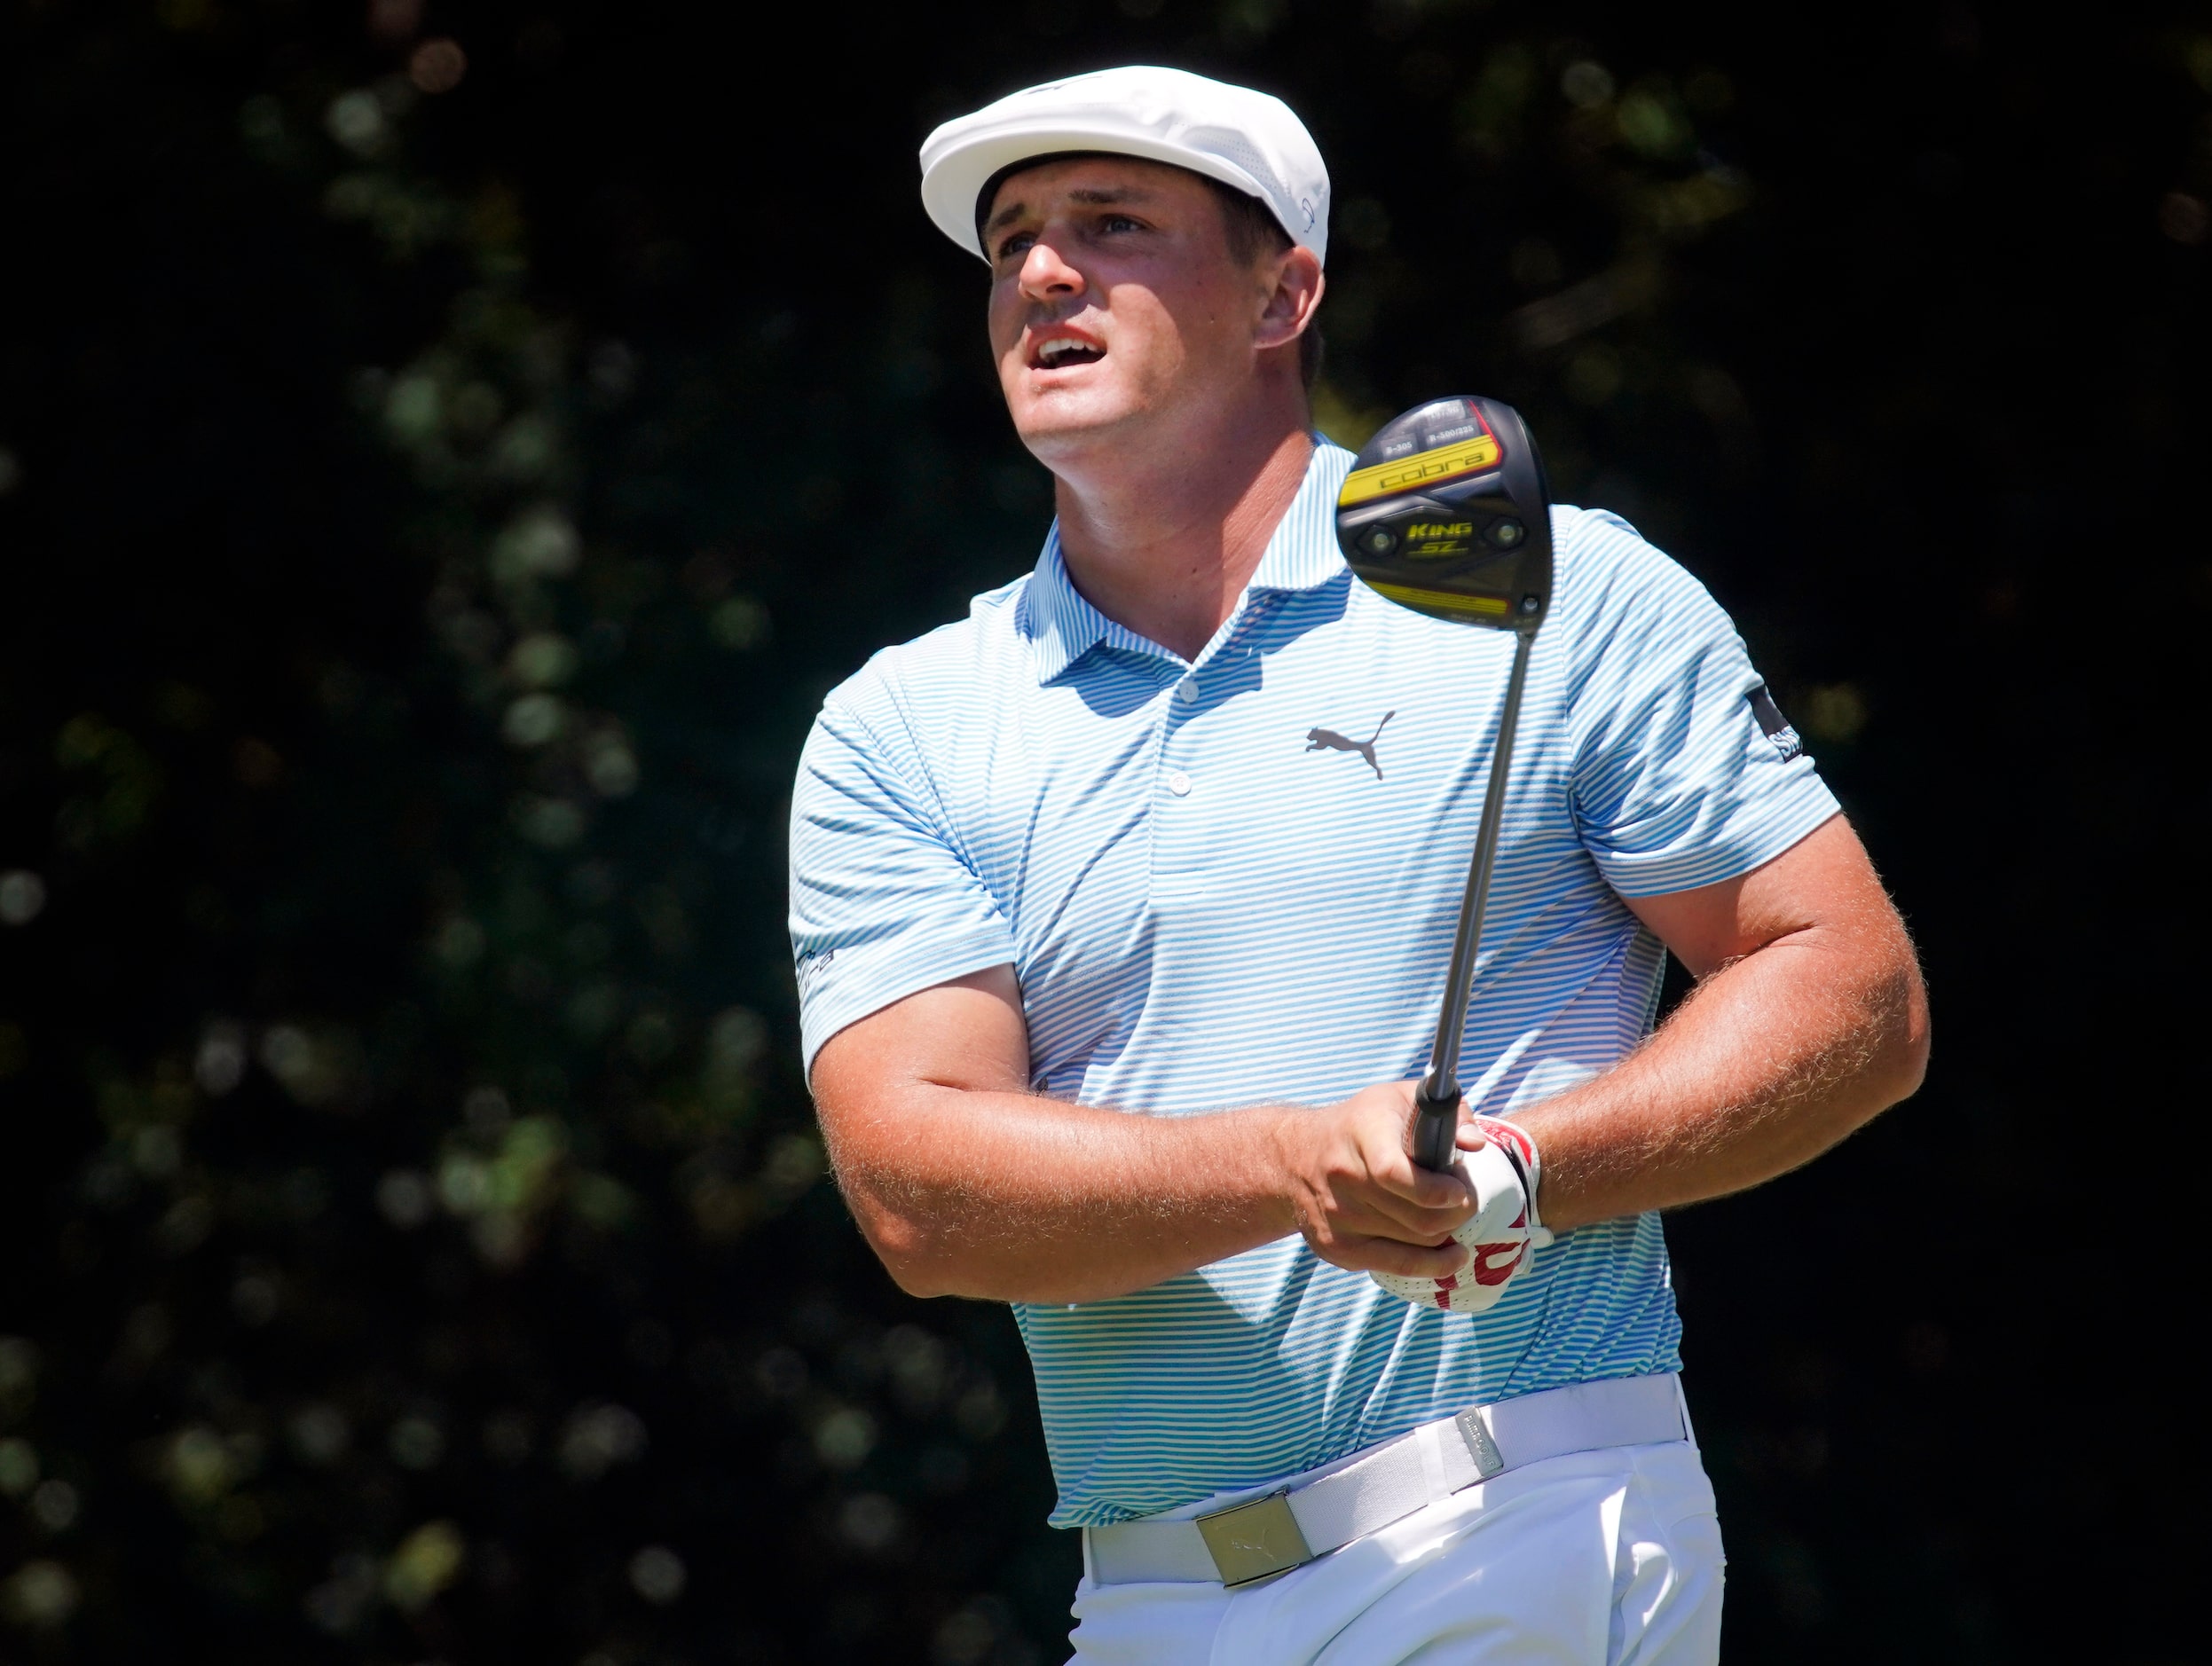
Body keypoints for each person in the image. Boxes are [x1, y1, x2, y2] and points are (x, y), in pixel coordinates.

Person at [788, 64, 1927, 1663]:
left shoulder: (1558, 589)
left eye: (1112, 225)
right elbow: (920, 1186)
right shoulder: (900, 725)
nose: (1042, 274)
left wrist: (1528, 1170)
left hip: (1510, 1523)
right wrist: (1290, 1165)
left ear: (1284, 292)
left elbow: (1848, 985)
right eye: (1012, 244)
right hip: (1143, 1593)